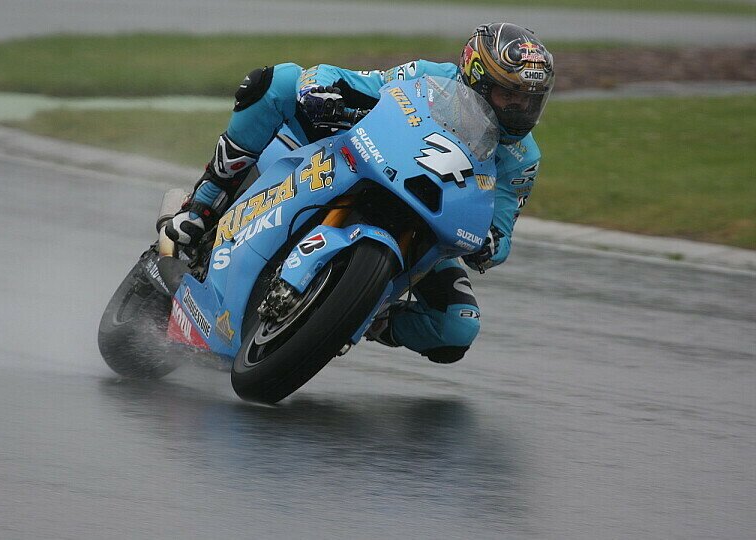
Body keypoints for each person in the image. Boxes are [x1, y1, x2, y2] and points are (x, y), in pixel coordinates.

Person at [165, 22, 555, 364]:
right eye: (511, 96)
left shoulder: (523, 159)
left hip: (429, 226)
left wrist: (489, 245)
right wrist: (322, 86)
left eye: (530, 101)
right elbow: (368, 83)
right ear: (478, 81)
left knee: (458, 328)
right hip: (368, 166)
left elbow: (502, 231)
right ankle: (204, 203)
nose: (521, 109)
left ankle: (369, 315)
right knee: (278, 82)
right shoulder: (432, 77)